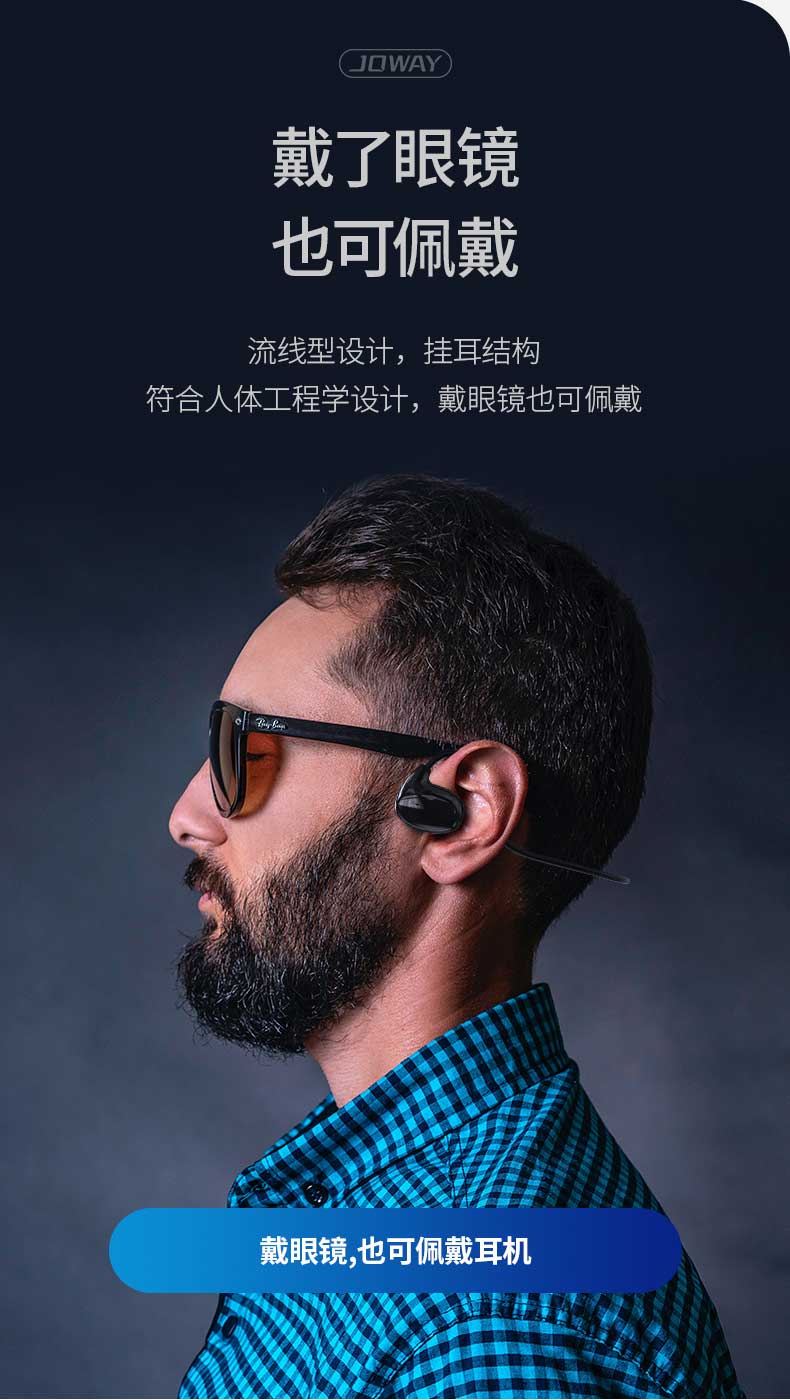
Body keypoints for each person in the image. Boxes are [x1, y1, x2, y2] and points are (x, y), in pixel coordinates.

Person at [169, 473, 742, 1399]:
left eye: (245, 749)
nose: (189, 816)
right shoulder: (391, 1206)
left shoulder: (493, 1318)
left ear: (461, 815)